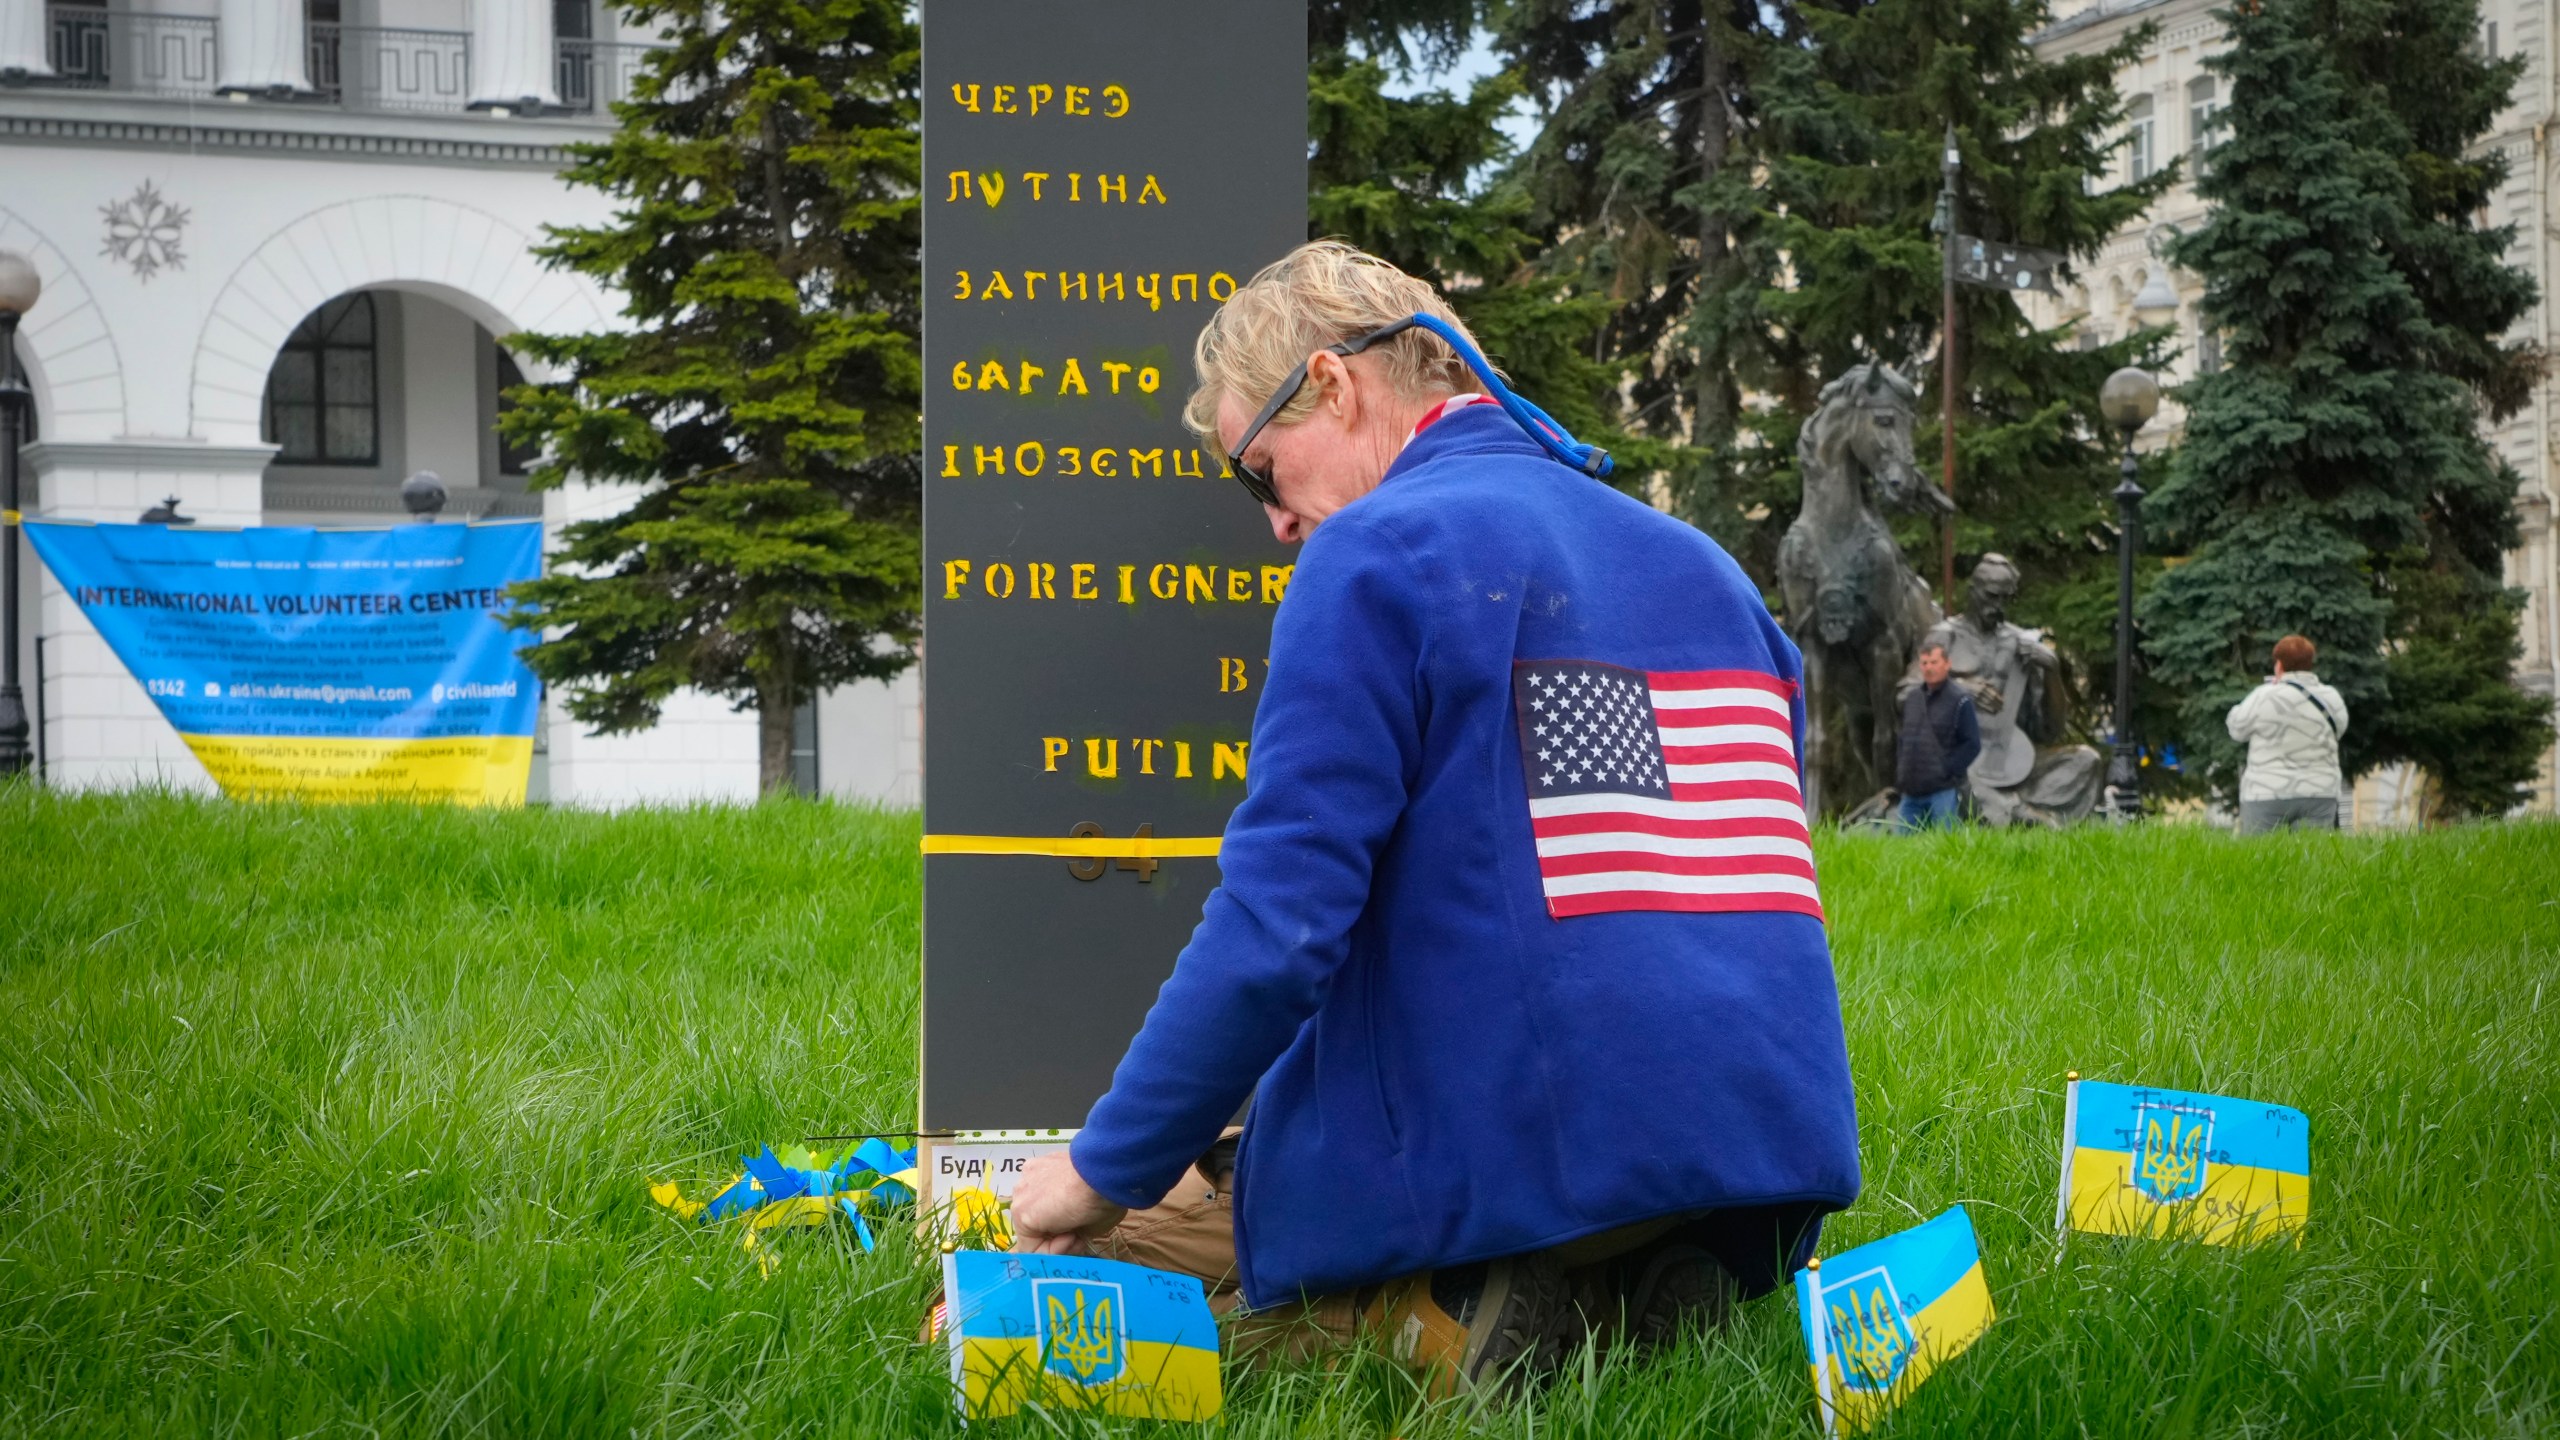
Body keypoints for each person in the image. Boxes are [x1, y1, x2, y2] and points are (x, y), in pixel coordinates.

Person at [1004, 241, 1861, 1393]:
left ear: (1332, 383)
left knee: (1026, 1291)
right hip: (1758, 1163)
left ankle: (1419, 1319)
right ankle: (1623, 1290)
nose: (1274, 524)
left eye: (1259, 472)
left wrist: (1098, 1171)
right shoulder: (1710, 569)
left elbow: (1275, 934)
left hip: (1510, 1145)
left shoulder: (1378, 551)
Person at [2225, 634, 2347, 834]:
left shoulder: (2264, 696)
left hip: (2266, 792)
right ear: (2310, 664)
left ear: (2279, 665)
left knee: (2261, 860)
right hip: (2320, 791)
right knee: (2313, 859)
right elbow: (2339, 731)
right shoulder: (2331, 698)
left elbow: (2236, 730)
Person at [1894, 641, 1980, 830]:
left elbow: (1972, 743)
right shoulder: (1912, 698)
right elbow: (1903, 739)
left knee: (1944, 849)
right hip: (1910, 791)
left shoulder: (1960, 699)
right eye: (1924, 663)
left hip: (1942, 791)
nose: (1929, 668)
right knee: (1899, 850)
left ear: (1947, 664)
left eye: (1934, 662)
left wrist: (1947, 770)